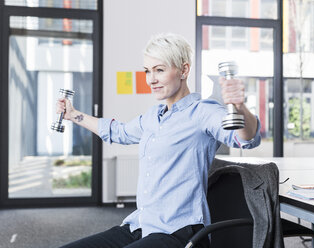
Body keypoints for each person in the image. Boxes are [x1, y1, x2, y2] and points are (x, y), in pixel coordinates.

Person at [57, 33, 261, 248]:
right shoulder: (153, 116)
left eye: (159, 70)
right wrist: (73, 115)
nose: (151, 79)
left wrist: (239, 107)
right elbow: (118, 132)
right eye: (147, 71)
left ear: (184, 70)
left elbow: (246, 139)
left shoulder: (203, 112)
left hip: (179, 232)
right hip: (141, 225)